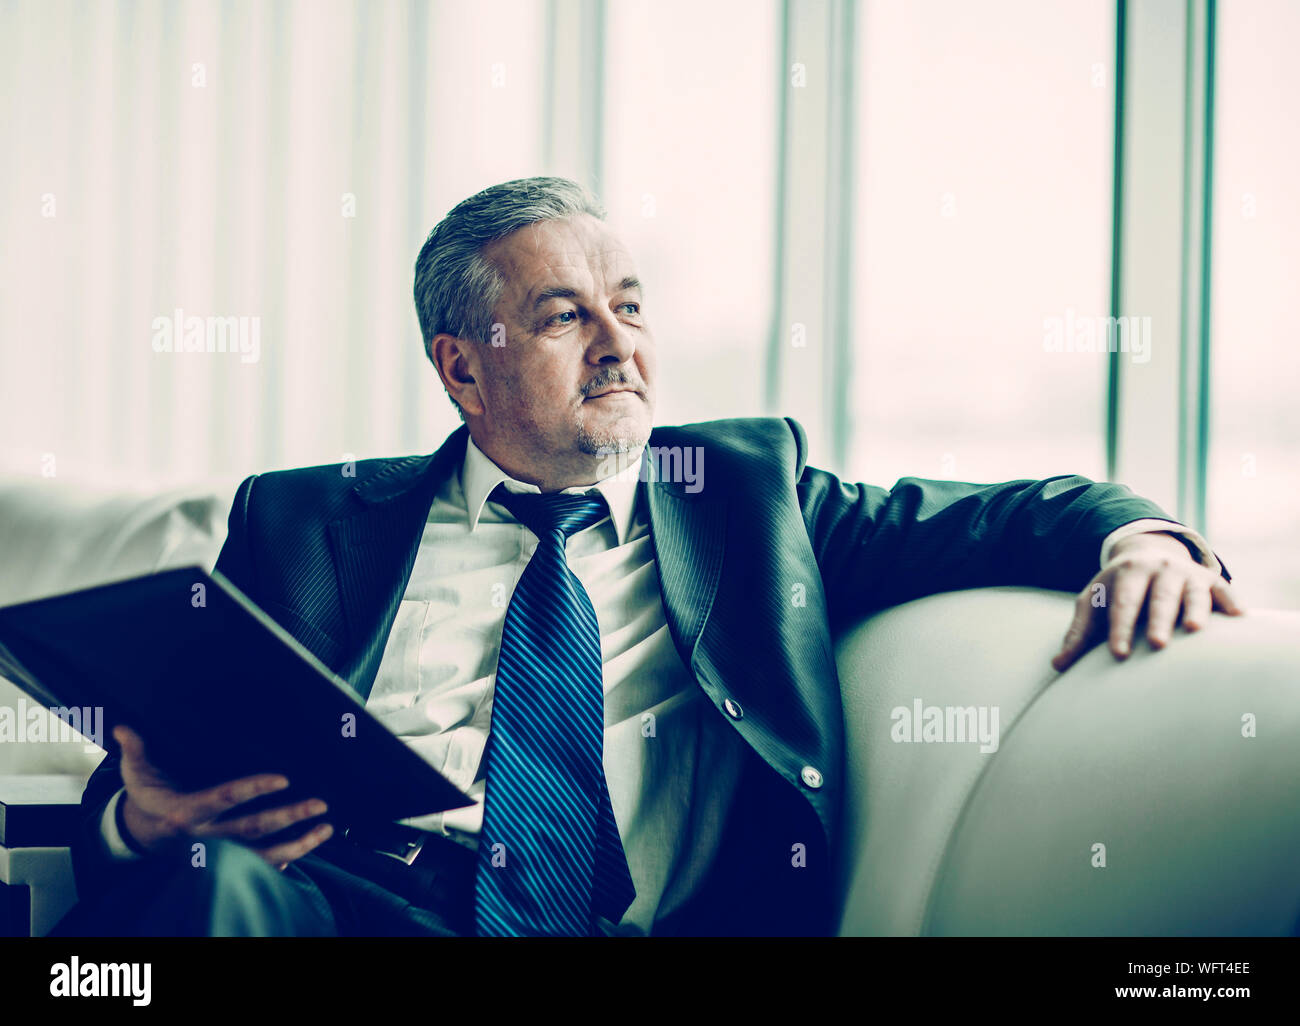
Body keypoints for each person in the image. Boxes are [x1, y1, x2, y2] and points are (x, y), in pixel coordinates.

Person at [54, 176, 1240, 938]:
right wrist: (140, 822)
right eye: (566, 315)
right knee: (201, 900)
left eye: (629, 304)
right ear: (463, 365)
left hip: (611, 919)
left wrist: (1137, 535)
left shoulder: (745, 493)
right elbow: (181, 754)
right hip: (348, 900)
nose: (619, 344)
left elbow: (1012, 510)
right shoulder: (305, 521)